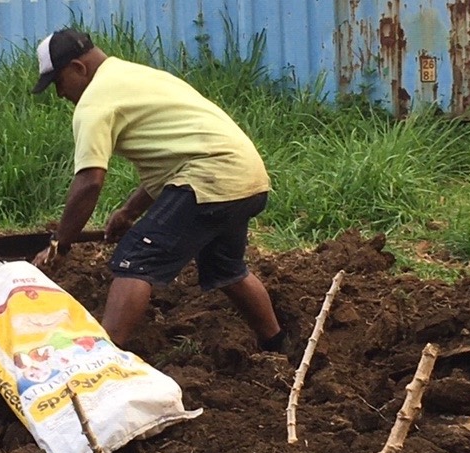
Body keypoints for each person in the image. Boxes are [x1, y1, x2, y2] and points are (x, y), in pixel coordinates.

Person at [30, 27, 288, 354]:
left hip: (210, 177)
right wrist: (128, 212)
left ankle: (104, 362)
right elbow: (174, 158)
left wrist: (59, 245)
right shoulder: (137, 76)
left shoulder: (94, 103)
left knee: (135, 259)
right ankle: (276, 345)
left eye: (58, 83)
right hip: (246, 176)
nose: (60, 94)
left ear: (78, 69)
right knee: (226, 268)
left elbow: (89, 182)